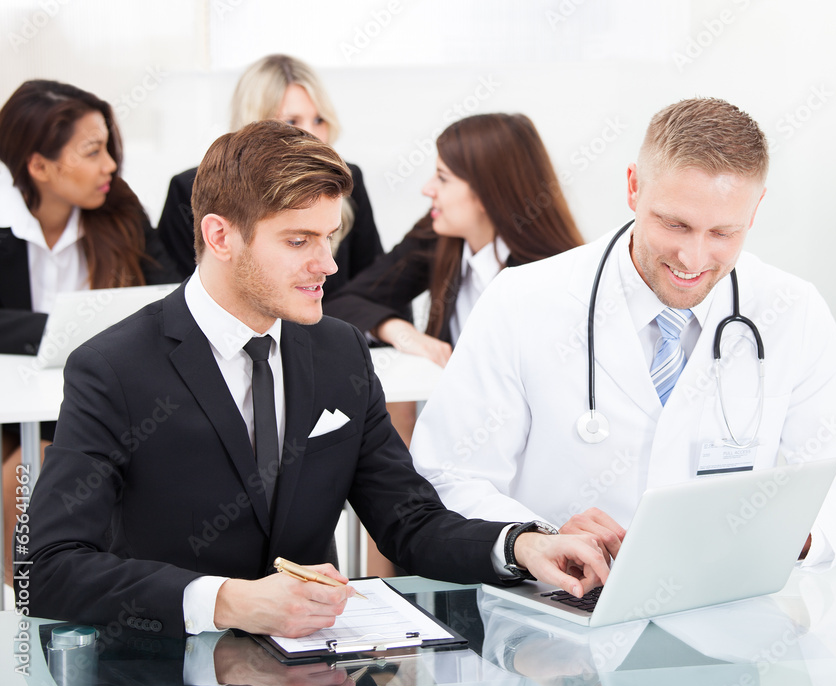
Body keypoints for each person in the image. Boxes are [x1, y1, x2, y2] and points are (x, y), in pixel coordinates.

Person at [25, 120, 607, 640]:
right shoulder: (113, 367)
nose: (327, 264)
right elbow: (49, 567)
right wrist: (225, 601)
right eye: (298, 241)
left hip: (316, 664)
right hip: (166, 663)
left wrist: (521, 545)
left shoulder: (341, 352)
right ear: (220, 236)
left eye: (329, 237)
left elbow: (409, 521)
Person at [409, 98, 836, 568]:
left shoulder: (791, 310)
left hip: (721, 620)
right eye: (674, 224)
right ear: (633, 187)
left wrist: (780, 535)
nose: (692, 259)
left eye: (722, 234)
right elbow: (446, 477)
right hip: (549, 621)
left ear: (755, 211)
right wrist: (539, 537)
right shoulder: (521, 300)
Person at [0, 79, 177, 584]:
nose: (110, 166)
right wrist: (68, 327)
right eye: (92, 151)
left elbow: (168, 298)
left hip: (108, 404)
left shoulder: (118, 208)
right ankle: (29, 613)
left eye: (108, 148)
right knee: (26, 472)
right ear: (39, 166)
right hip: (17, 411)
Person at [325, 112, 583, 368]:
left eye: (443, 178)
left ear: (487, 193)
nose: (427, 189)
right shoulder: (438, 236)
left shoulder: (554, 279)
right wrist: (398, 331)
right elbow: (341, 304)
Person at [157, 53, 384, 296]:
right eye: (291, 121)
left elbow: (376, 281)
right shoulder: (189, 189)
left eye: (319, 119)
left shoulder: (345, 182)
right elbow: (183, 296)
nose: (311, 135)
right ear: (255, 124)